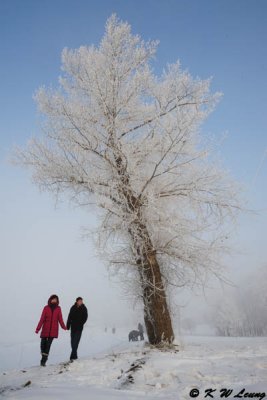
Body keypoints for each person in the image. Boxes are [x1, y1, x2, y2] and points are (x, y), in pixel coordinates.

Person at [35, 294, 67, 366]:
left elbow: (60, 319)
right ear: (50, 299)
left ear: (57, 301)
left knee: (48, 345)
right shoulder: (46, 308)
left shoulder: (58, 308)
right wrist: (38, 329)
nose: (54, 300)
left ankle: (43, 361)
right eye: (53, 299)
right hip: (45, 329)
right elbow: (42, 319)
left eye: (55, 299)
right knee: (42, 344)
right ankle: (44, 356)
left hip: (53, 331)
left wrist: (64, 327)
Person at [67, 297, 88, 361]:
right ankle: (75, 356)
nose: (80, 302)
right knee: (72, 342)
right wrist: (68, 325)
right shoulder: (73, 307)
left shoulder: (84, 308)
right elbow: (69, 316)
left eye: (81, 301)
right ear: (76, 301)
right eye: (79, 301)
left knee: (76, 341)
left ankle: (72, 357)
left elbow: (85, 317)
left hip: (79, 328)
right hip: (73, 327)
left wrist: (81, 323)